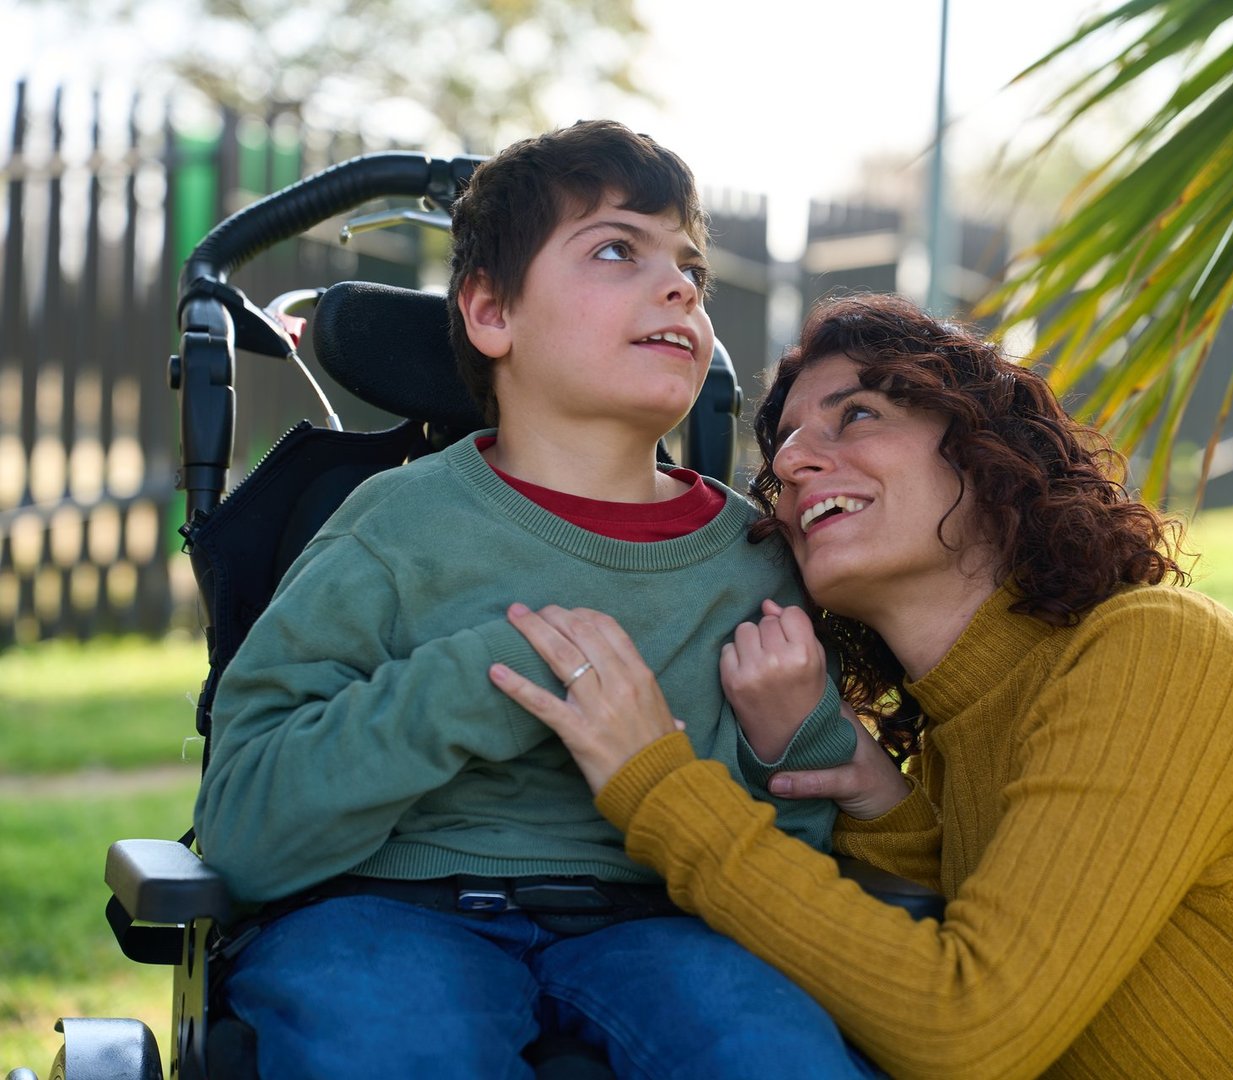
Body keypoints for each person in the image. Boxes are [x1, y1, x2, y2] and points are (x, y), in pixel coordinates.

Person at [489, 293, 1233, 1079]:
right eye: (784, 444)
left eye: (859, 413)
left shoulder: (1155, 657)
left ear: (988, 453)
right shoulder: (967, 725)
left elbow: (968, 1032)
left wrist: (659, 788)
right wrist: (882, 800)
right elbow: (1017, 897)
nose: (796, 461)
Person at [192, 122, 872, 1079]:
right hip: (386, 907)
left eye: (689, 268)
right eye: (614, 251)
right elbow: (246, 830)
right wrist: (476, 685)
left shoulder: (753, 562)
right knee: (386, 1042)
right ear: (489, 314)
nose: (678, 285)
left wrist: (787, 743)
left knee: (773, 1050)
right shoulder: (390, 528)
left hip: (664, 922)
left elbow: (791, 869)